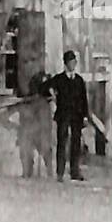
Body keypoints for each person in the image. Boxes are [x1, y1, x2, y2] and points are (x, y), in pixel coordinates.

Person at [47, 49, 89, 182]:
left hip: (76, 116)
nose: (73, 64)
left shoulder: (79, 81)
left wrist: (85, 116)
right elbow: (46, 88)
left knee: (76, 144)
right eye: (70, 62)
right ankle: (60, 172)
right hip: (63, 115)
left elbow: (84, 99)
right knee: (62, 143)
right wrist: (52, 93)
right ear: (65, 64)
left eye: (74, 62)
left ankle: (74, 171)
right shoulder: (59, 79)